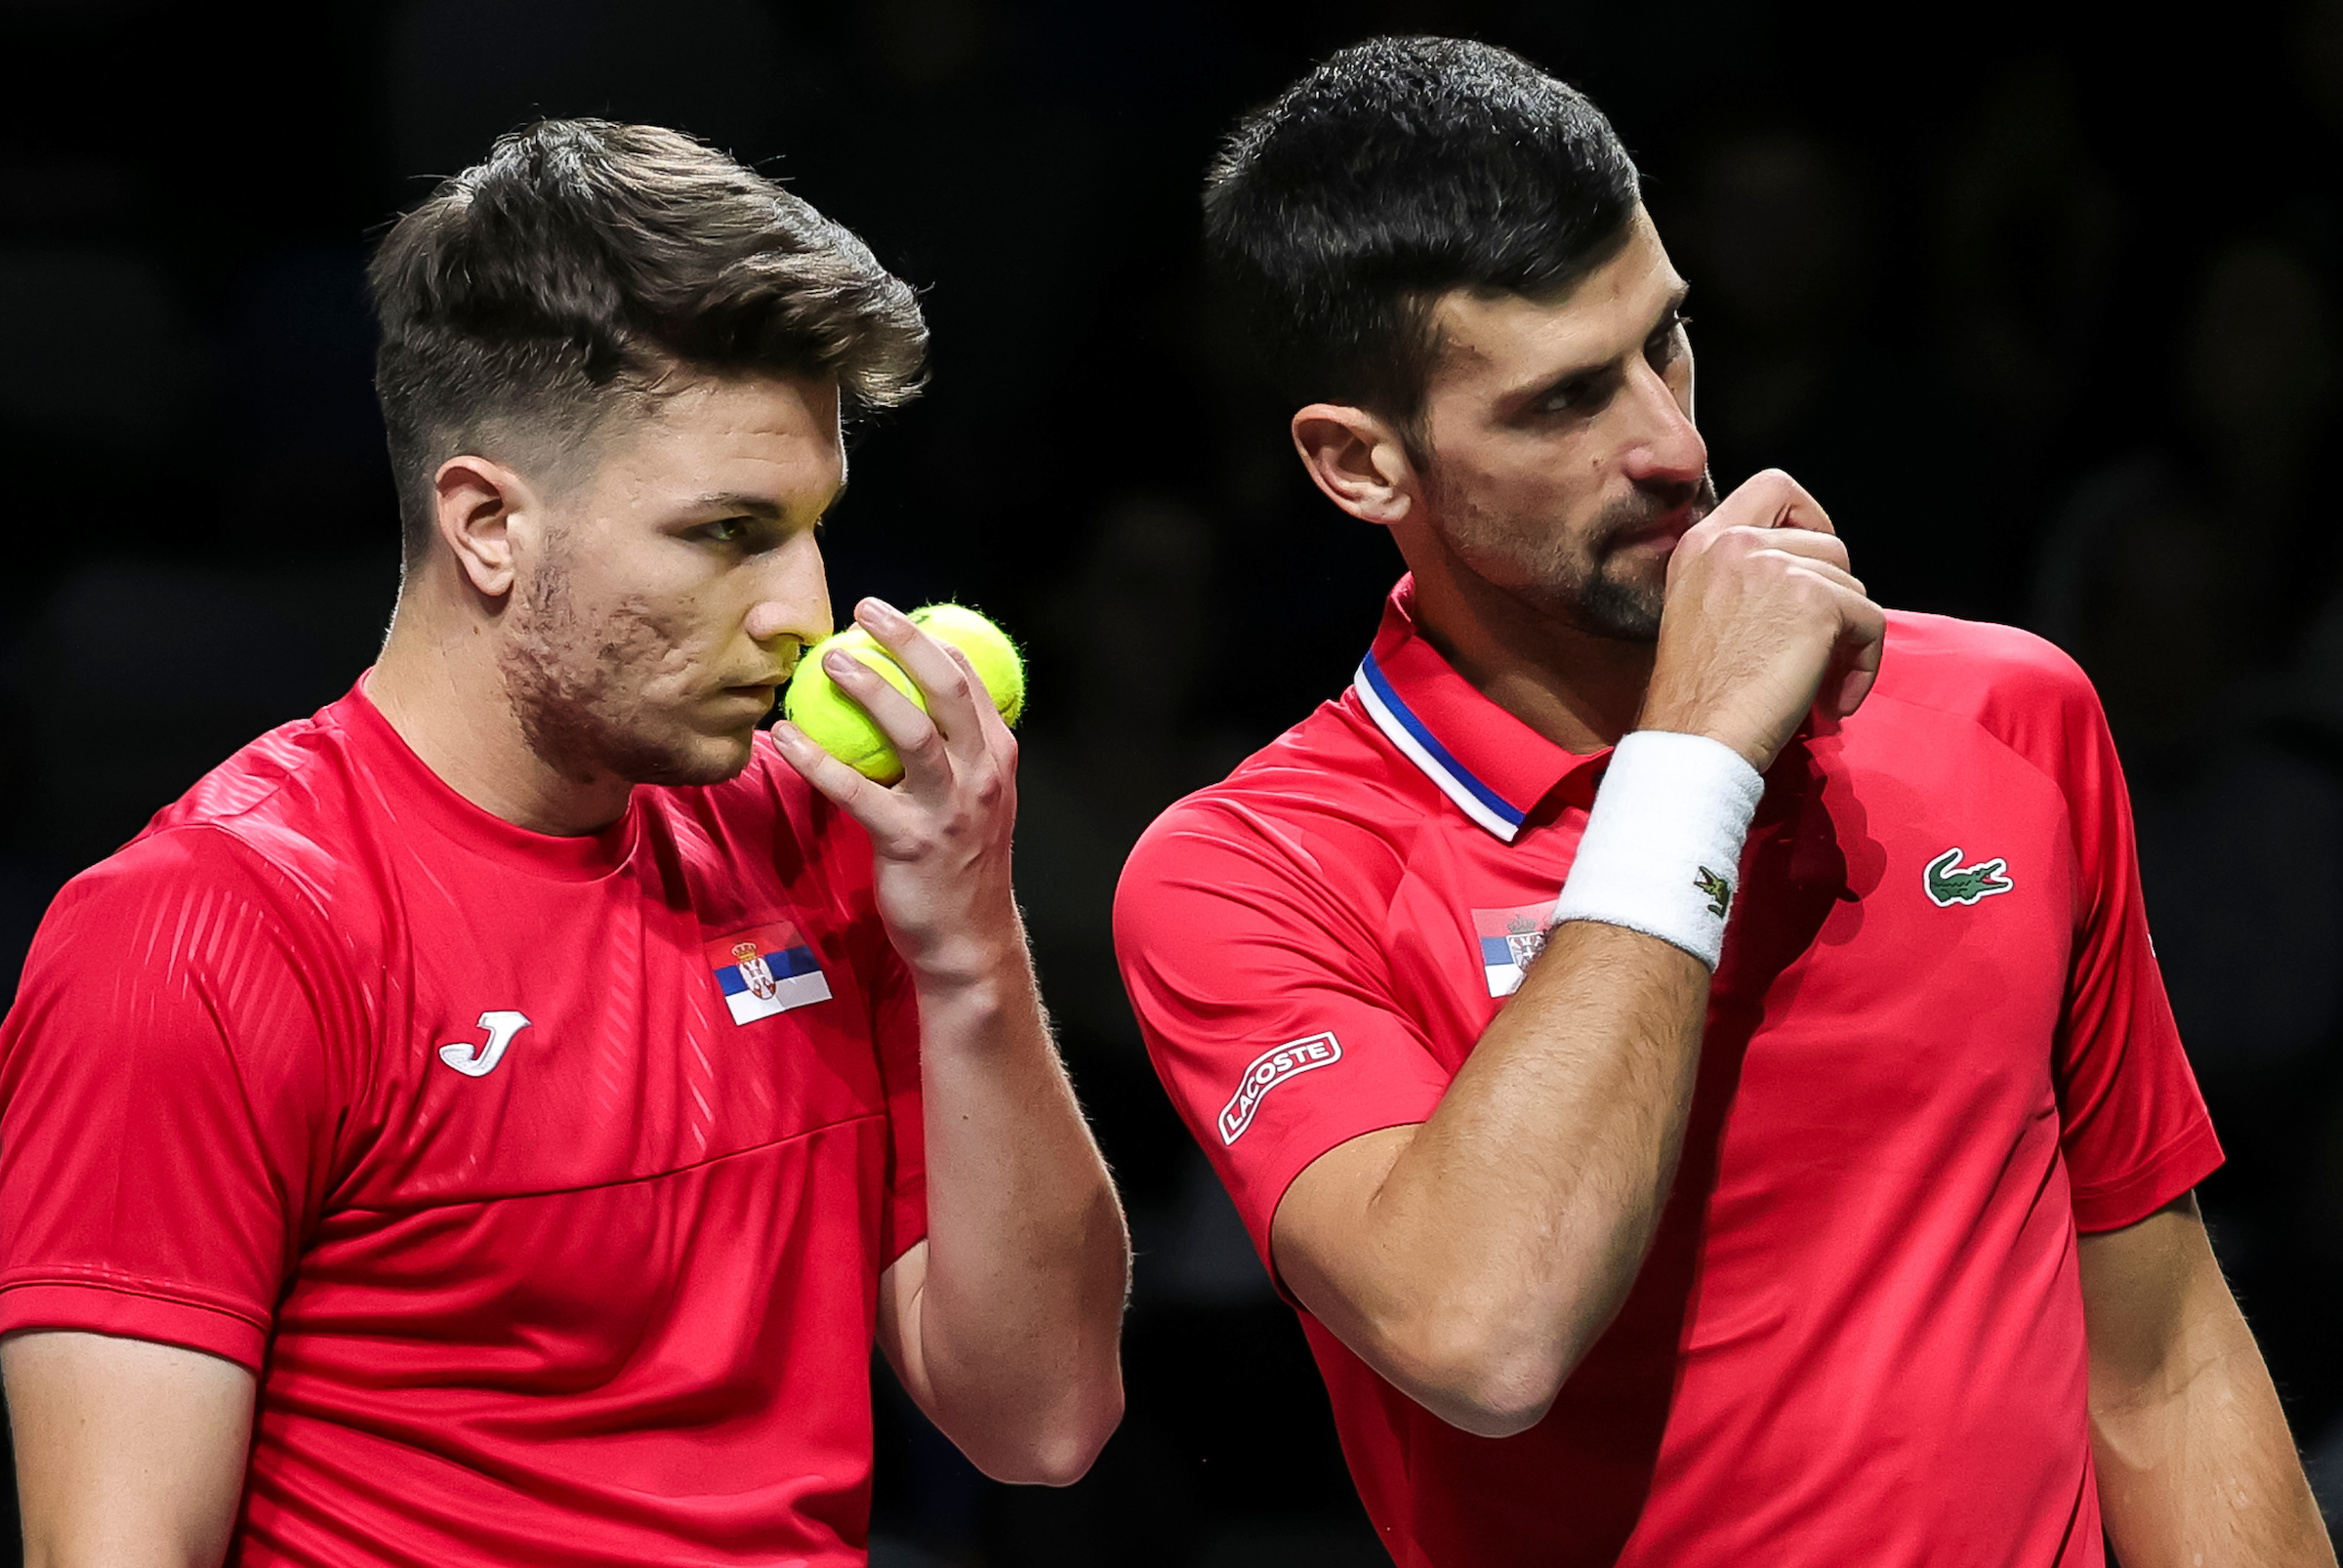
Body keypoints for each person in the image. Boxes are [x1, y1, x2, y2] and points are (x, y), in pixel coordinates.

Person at [1113, 37, 2335, 1568]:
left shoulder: (2010, 710)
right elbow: (1482, 1326)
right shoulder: (1250, 871)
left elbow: (2159, 1350)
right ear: (1360, 464)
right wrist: (1693, 759)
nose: (1674, 445)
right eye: (1564, 402)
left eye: (1666, 342)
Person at [0, 120, 1129, 1565]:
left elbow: (1043, 1417)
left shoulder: (820, 840)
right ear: (486, 525)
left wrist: (970, 941)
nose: (805, 611)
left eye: (813, 525)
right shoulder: (199, 935)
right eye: (729, 532)